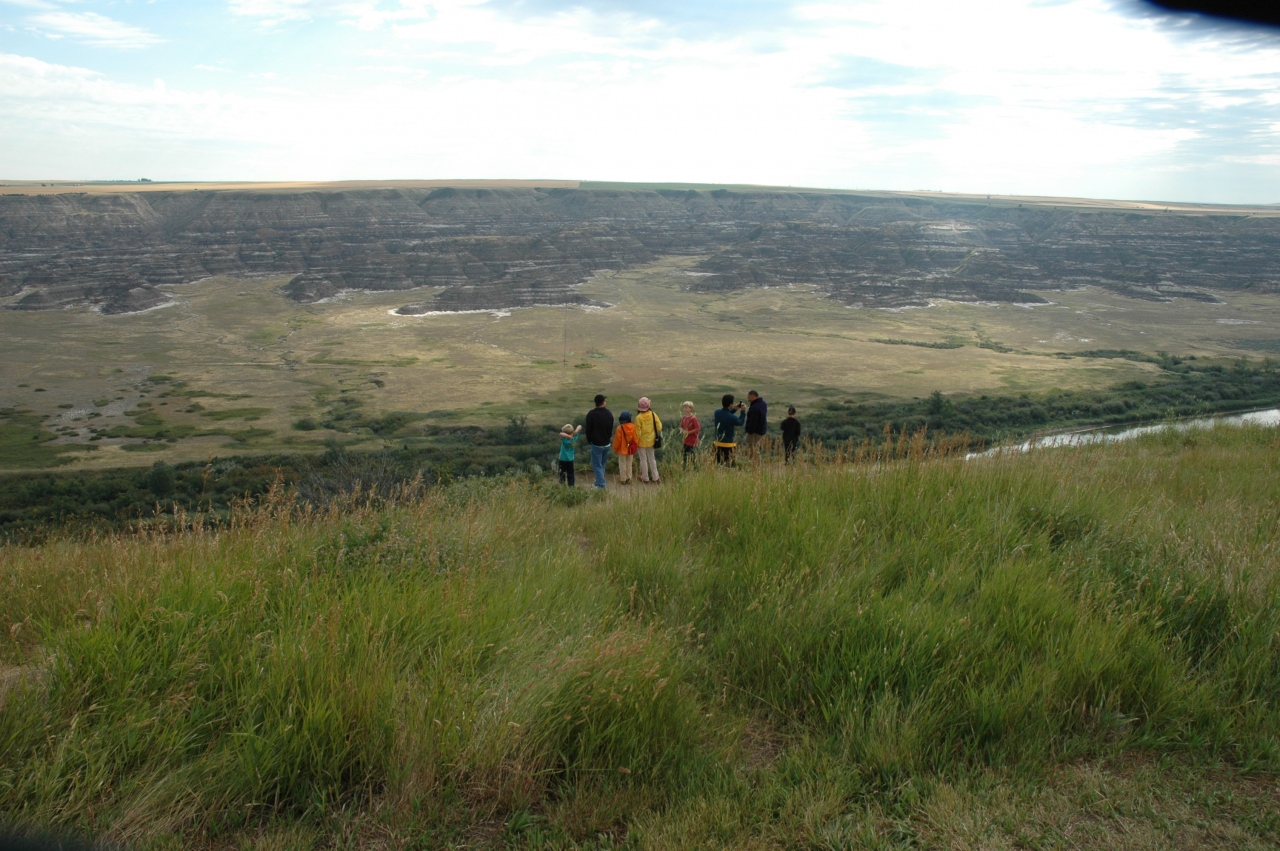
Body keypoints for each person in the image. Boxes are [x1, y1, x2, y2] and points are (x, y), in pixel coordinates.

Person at [583, 393, 613, 489]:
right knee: (602, 465)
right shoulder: (609, 413)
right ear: (603, 402)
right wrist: (608, 438)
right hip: (606, 443)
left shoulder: (591, 414)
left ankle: (601, 485)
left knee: (597, 465)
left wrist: (589, 440)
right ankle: (598, 482)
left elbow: (588, 430)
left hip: (596, 444)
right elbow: (610, 429)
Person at [634, 396, 663, 483]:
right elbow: (659, 427)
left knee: (643, 460)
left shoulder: (638, 418)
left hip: (641, 442)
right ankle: (656, 477)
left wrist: (636, 441)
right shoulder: (653, 414)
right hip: (652, 440)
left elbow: (637, 433)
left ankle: (645, 478)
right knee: (652, 459)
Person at [712, 393, 746, 466]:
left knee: (718, 464)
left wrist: (735, 409)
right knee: (729, 465)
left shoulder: (717, 412)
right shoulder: (732, 417)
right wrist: (743, 411)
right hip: (728, 445)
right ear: (730, 404)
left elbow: (725, 414)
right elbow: (740, 422)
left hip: (717, 443)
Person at [611, 411, 639, 484]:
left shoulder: (619, 428)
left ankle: (623, 479)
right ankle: (629, 478)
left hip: (622, 450)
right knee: (629, 464)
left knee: (622, 464)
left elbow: (617, 441)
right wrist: (636, 445)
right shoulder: (633, 426)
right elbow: (635, 438)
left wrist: (615, 449)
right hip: (630, 450)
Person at [744, 390, 768, 458]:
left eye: (748, 397)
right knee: (755, 448)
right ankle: (754, 464)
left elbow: (753, 421)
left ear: (753, 396)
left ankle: (755, 464)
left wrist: (749, 431)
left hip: (755, 432)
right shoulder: (763, 404)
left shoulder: (754, 408)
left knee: (752, 448)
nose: (748, 398)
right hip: (761, 430)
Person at [679, 401, 700, 467]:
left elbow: (698, 428)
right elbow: (681, 426)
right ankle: (685, 469)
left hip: (692, 440)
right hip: (685, 439)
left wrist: (688, 432)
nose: (685, 409)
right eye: (684, 407)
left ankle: (695, 469)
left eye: (686, 407)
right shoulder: (684, 417)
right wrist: (683, 431)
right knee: (684, 456)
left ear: (690, 409)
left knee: (692, 456)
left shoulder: (693, 418)